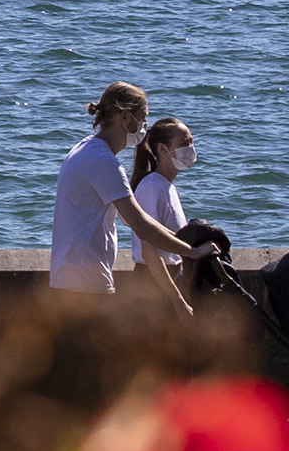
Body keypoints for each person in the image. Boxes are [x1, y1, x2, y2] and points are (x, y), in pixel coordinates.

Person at [51, 83, 206, 310]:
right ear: (125, 117)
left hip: (71, 278)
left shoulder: (85, 148)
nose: (144, 126)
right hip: (85, 282)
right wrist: (192, 251)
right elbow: (141, 226)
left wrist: (179, 240)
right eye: (142, 117)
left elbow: (135, 217)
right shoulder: (104, 162)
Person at [133, 117, 196, 294]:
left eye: (191, 142)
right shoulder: (151, 187)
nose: (190, 148)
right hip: (152, 284)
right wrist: (177, 301)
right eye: (184, 143)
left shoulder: (167, 187)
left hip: (170, 277)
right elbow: (149, 251)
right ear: (162, 148)